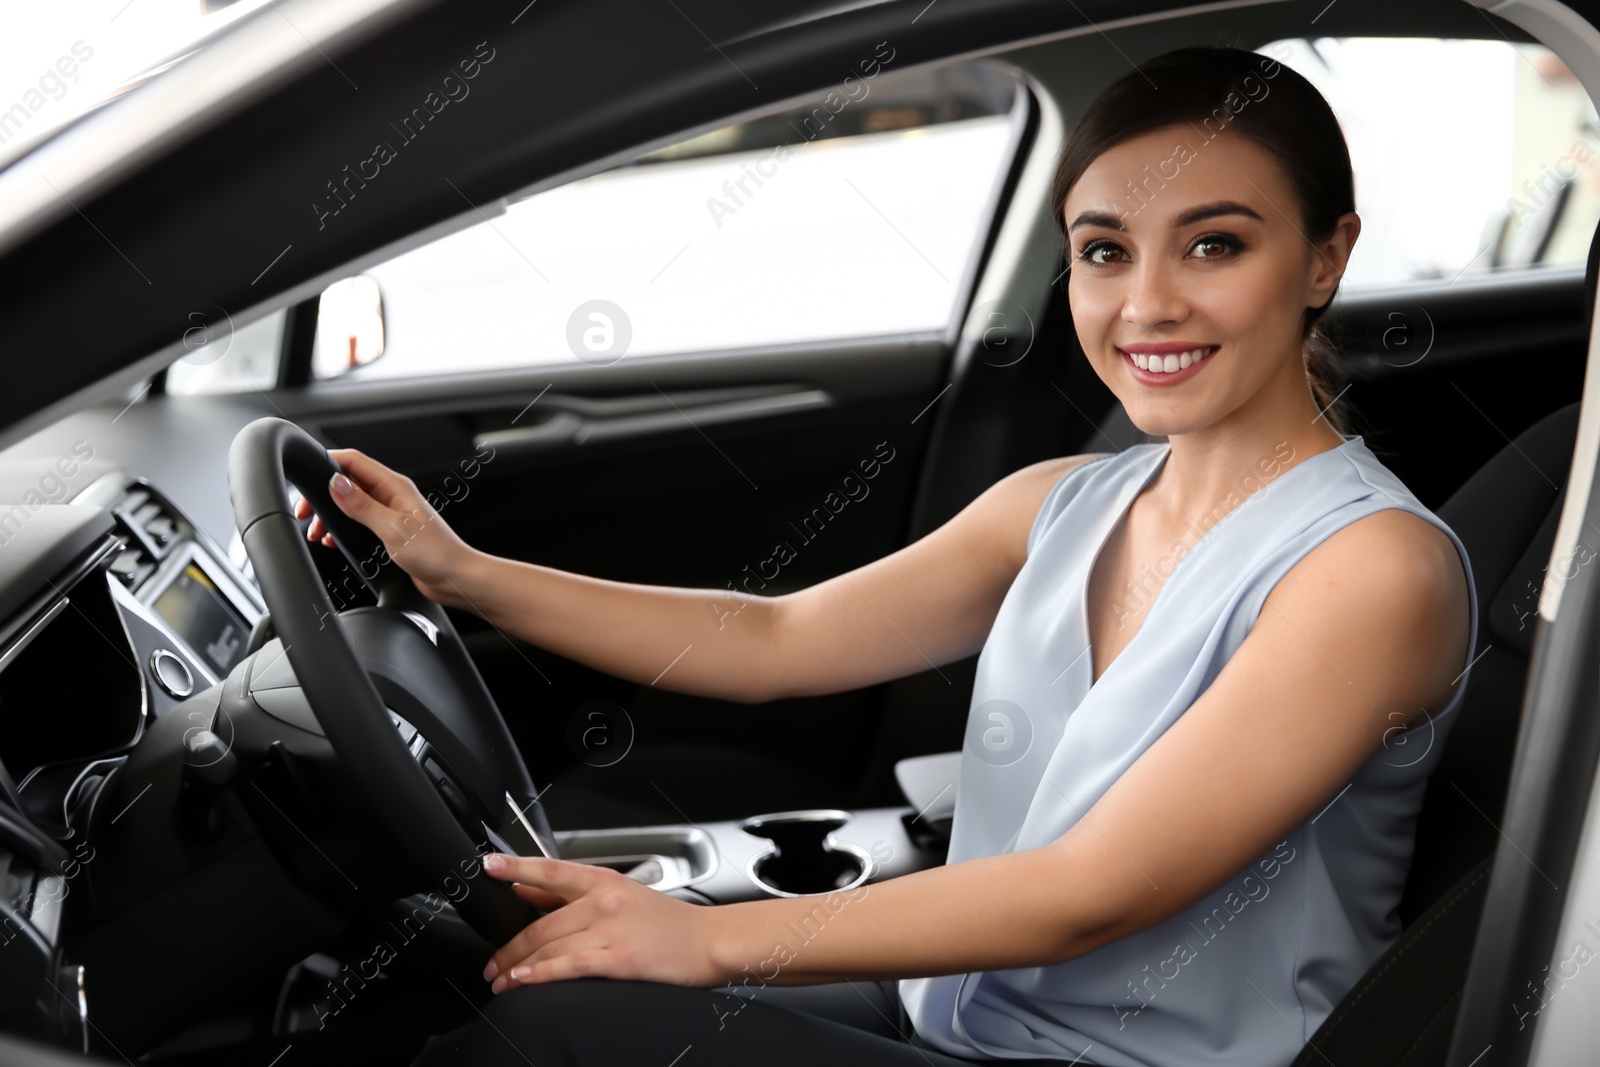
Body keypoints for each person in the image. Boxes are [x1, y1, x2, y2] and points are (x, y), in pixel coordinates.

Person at [295, 45, 1477, 1067]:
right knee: (493, 976)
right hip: (967, 1014)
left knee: (544, 1037)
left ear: (1325, 259)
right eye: (1105, 252)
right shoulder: (1063, 502)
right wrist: (462, 572)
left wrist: (701, 935)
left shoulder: (1371, 572)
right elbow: (774, 639)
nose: (1145, 303)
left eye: (1212, 245)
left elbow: (1087, 892)